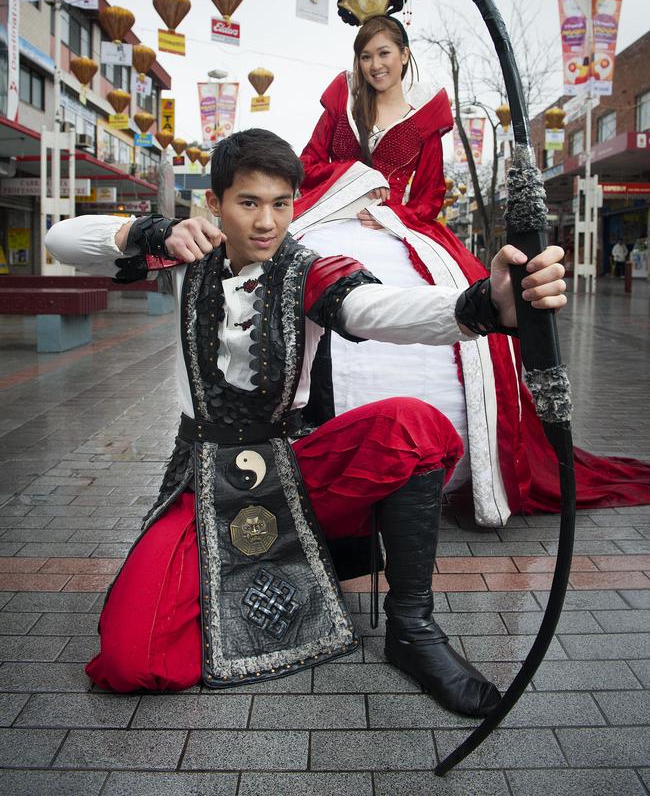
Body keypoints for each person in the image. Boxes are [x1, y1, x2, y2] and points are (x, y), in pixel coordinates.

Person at [45, 128, 566, 718]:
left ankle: (412, 629)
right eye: (249, 203)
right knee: (131, 661)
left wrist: (484, 305)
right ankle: (267, 576)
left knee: (412, 426)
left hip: (295, 471)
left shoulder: (308, 270)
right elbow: (61, 239)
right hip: (202, 479)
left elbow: (378, 309)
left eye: (281, 204)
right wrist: (150, 230)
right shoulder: (184, 256)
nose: (267, 222)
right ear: (214, 204)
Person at [292, 0, 650, 522]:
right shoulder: (341, 102)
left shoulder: (428, 115)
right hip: (334, 221)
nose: (375, 64)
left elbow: (429, 195)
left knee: (471, 327)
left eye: (385, 53)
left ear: (404, 55)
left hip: (397, 228)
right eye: (366, 56)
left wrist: (389, 214)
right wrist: (352, 188)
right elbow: (310, 164)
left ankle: (439, 455)